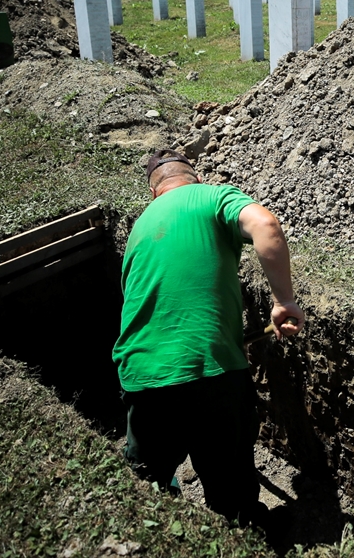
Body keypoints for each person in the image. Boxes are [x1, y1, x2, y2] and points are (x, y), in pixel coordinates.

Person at [113, 148, 304, 529]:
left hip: (141, 376)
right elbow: (266, 225)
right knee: (231, 487)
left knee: (146, 490)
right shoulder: (211, 196)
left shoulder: (139, 227)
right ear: (194, 178)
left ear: (155, 192)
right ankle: (242, 529)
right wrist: (284, 300)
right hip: (211, 372)